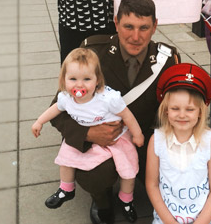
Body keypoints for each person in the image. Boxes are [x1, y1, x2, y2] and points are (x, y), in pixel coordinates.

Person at [49, 0, 180, 224]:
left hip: (143, 138)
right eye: (128, 26)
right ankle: (102, 200)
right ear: (116, 23)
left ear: (155, 27)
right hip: (102, 141)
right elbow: (57, 109)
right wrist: (87, 134)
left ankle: (133, 191)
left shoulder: (166, 59)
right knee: (95, 175)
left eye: (144, 27)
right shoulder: (94, 51)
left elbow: (175, 107)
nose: (136, 36)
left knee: (178, 171)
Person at [32, 48, 144, 221]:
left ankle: (126, 199)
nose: (79, 85)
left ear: (97, 80)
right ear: (64, 80)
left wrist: (137, 134)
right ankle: (66, 188)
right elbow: (55, 109)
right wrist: (39, 121)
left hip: (116, 137)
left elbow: (127, 115)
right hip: (88, 137)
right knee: (66, 156)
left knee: (128, 168)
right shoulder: (66, 97)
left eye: (86, 79)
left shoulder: (107, 99)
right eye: (73, 79)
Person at [146, 63, 211, 224]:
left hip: (204, 219)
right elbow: (152, 184)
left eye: (189, 109)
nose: (182, 115)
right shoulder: (156, 141)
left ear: (200, 112)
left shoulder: (210, 144)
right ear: (166, 110)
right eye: (175, 108)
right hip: (167, 218)